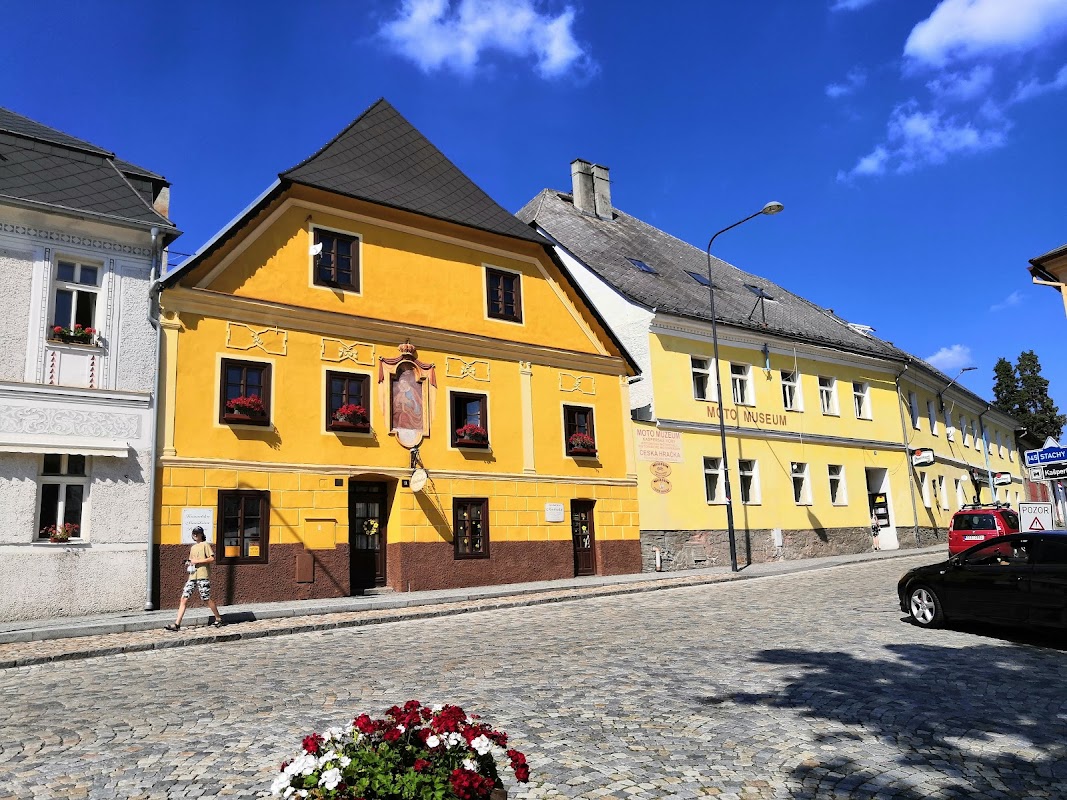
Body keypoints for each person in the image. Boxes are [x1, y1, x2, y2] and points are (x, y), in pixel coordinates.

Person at [165, 526, 224, 631]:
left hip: (202, 575)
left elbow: (211, 558)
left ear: (202, 534)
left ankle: (218, 618)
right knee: (184, 598)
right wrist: (189, 562)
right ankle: (177, 624)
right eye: (194, 533)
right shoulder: (193, 547)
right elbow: (192, 560)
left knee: (206, 598)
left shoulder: (205, 545)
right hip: (192, 576)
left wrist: (198, 561)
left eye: (197, 533)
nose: (195, 535)